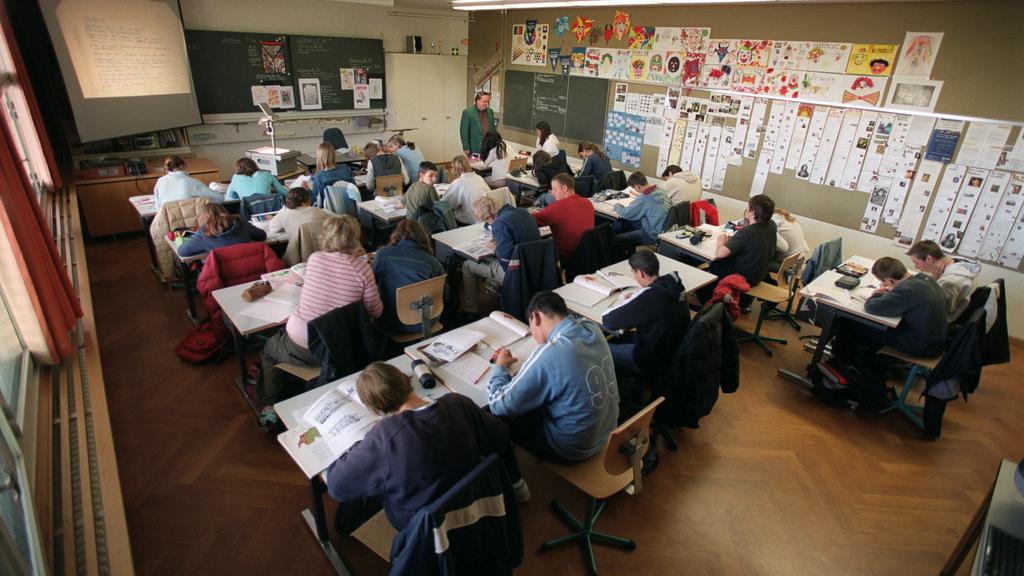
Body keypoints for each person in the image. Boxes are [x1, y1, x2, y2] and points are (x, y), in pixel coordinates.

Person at [327, 362, 527, 536]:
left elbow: (337, 486)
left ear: (376, 408)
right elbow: (499, 435)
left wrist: (358, 445)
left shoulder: (385, 437)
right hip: (473, 502)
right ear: (405, 380)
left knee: (374, 483)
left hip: (421, 526)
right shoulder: (457, 402)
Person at [258, 215, 383, 403]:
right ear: (355, 237)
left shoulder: (315, 259)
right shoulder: (361, 268)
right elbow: (376, 312)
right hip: (340, 349)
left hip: (301, 345)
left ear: (324, 236)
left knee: (268, 350)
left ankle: (270, 399)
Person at [487, 291, 618, 462]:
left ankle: (515, 481)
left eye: (531, 325)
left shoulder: (552, 353)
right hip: (606, 433)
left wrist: (500, 367)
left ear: (536, 318)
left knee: (494, 418)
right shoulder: (591, 328)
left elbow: (499, 405)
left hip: (571, 448)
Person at [827, 257, 949, 408]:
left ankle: (841, 363)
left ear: (890, 281)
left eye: (884, 283)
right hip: (934, 340)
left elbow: (872, 307)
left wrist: (877, 293)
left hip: (920, 346)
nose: (883, 285)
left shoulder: (907, 290)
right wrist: (892, 292)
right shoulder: (924, 279)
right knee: (868, 328)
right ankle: (851, 361)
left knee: (853, 324)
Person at [603, 251, 689, 375]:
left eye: (633, 272)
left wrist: (623, 300)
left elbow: (609, 321)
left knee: (597, 349)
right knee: (616, 338)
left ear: (641, 273)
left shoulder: (650, 296)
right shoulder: (674, 287)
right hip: (670, 350)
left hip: (649, 359)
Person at [461, 196, 539, 315]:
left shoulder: (499, 224)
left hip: (515, 272)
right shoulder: (522, 212)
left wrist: (496, 249)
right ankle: (494, 287)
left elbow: (505, 260)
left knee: (467, 265)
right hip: (535, 265)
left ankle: (470, 310)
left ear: (488, 217)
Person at [372, 220, 445, 334]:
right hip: (425, 321)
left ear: (396, 234)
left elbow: (373, 283)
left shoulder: (382, 255)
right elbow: (443, 292)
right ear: (423, 237)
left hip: (389, 321)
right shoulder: (432, 263)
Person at [706, 194, 777, 292]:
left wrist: (720, 242)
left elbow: (720, 253)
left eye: (748, 208)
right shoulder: (772, 225)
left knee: (715, 264)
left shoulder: (748, 231)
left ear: (752, 212)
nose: (746, 210)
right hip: (759, 275)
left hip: (744, 278)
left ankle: (714, 297)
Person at [906, 240, 981, 321]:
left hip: (942, 322)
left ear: (929, 258)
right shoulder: (955, 262)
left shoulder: (948, 282)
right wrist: (935, 276)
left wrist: (934, 277)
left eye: (916, 262)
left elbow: (934, 308)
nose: (916, 267)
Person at [532, 174, 594, 263]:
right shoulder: (588, 203)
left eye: (555, 189)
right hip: (587, 256)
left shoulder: (558, 207)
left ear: (565, 188)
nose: (552, 193)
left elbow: (530, 221)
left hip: (565, 258)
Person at [177, 201, 266, 258]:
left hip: (221, 277)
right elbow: (262, 236)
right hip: (251, 269)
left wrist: (204, 247)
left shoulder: (203, 233)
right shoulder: (241, 222)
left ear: (204, 216)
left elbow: (182, 251)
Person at [611, 171, 670, 254]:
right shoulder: (660, 191)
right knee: (626, 223)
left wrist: (616, 205)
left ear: (637, 186)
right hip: (661, 228)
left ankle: (621, 260)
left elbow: (626, 213)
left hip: (650, 234)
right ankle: (630, 252)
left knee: (618, 239)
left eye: (634, 188)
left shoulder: (645, 197)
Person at [153, 156, 222, 210]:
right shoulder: (191, 182)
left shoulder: (160, 181)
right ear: (182, 165)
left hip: (168, 223)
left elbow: (158, 207)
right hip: (192, 223)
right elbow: (219, 198)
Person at [442, 155, 491, 225]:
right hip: (485, 219)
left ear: (455, 169)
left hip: (469, 222)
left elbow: (445, 204)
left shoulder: (458, 182)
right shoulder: (479, 178)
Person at [459, 91, 498, 157]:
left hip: (489, 146)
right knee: (475, 166)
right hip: (475, 146)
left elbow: (493, 129)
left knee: (488, 166)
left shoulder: (490, 111)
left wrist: (496, 143)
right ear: (477, 100)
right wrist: (466, 147)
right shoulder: (468, 112)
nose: (486, 104)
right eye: (484, 101)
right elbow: (464, 131)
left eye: (488, 102)